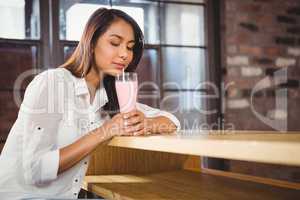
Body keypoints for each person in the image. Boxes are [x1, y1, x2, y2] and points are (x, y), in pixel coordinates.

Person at [0, 8, 180, 199]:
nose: (125, 54)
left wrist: (147, 123)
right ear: (92, 43)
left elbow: (172, 120)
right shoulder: (53, 83)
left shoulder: (109, 97)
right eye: (115, 43)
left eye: (130, 47)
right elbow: (35, 170)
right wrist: (106, 131)